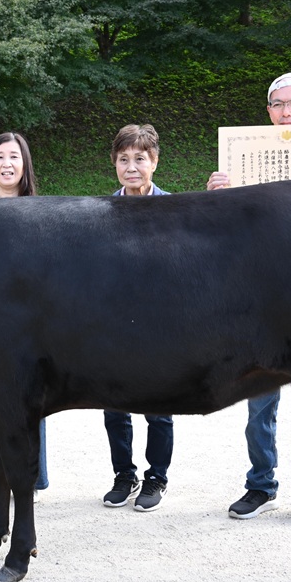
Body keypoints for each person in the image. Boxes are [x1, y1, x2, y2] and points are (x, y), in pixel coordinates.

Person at [206, 72, 291, 529]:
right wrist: (220, 198)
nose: (286, 112)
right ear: (268, 112)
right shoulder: (248, 161)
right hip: (262, 305)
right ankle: (261, 484)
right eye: (277, 105)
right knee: (259, 402)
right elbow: (230, 237)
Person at [101, 124, 175, 512]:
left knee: (158, 408)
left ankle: (156, 478)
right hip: (112, 324)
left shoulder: (174, 211)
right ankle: (123, 475)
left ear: (155, 162)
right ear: (114, 163)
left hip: (159, 325)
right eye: (124, 159)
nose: (132, 167)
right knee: (114, 406)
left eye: (140, 159)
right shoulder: (101, 212)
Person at [0, 132, 48, 505]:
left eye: (14, 157)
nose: (6, 164)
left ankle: (31, 478)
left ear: (25, 164)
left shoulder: (43, 212)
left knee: (33, 403)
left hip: (32, 327)